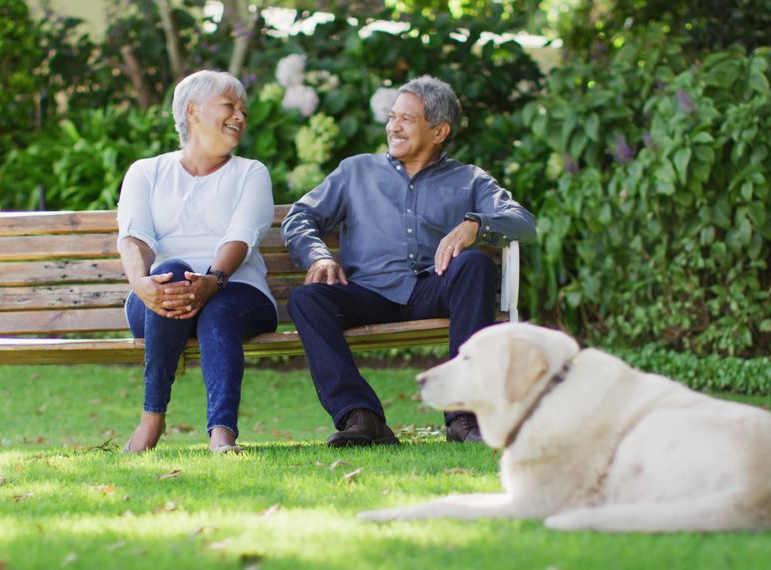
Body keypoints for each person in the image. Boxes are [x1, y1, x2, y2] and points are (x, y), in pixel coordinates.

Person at [281, 76, 537, 447]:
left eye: (406, 119)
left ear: (439, 131)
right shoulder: (356, 171)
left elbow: (523, 222)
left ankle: (463, 416)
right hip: (367, 293)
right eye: (392, 117)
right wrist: (318, 255)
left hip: (433, 288)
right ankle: (361, 418)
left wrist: (475, 225)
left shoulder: (469, 180)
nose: (393, 127)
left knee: (475, 265)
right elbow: (299, 217)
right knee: (307, 299)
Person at [117, 70, 277, 454]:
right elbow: (133, 236)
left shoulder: (251, 173)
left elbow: (241, 236)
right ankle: (152, 418)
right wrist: (140, 284)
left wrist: (214, 280)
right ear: (192, 112)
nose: (239, 115)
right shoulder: (146, 171)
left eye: (243, 109)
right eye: (229, 106)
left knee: (217, 310)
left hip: (237, 292)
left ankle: (222, 434)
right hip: (158, 298)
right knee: (169, 272)